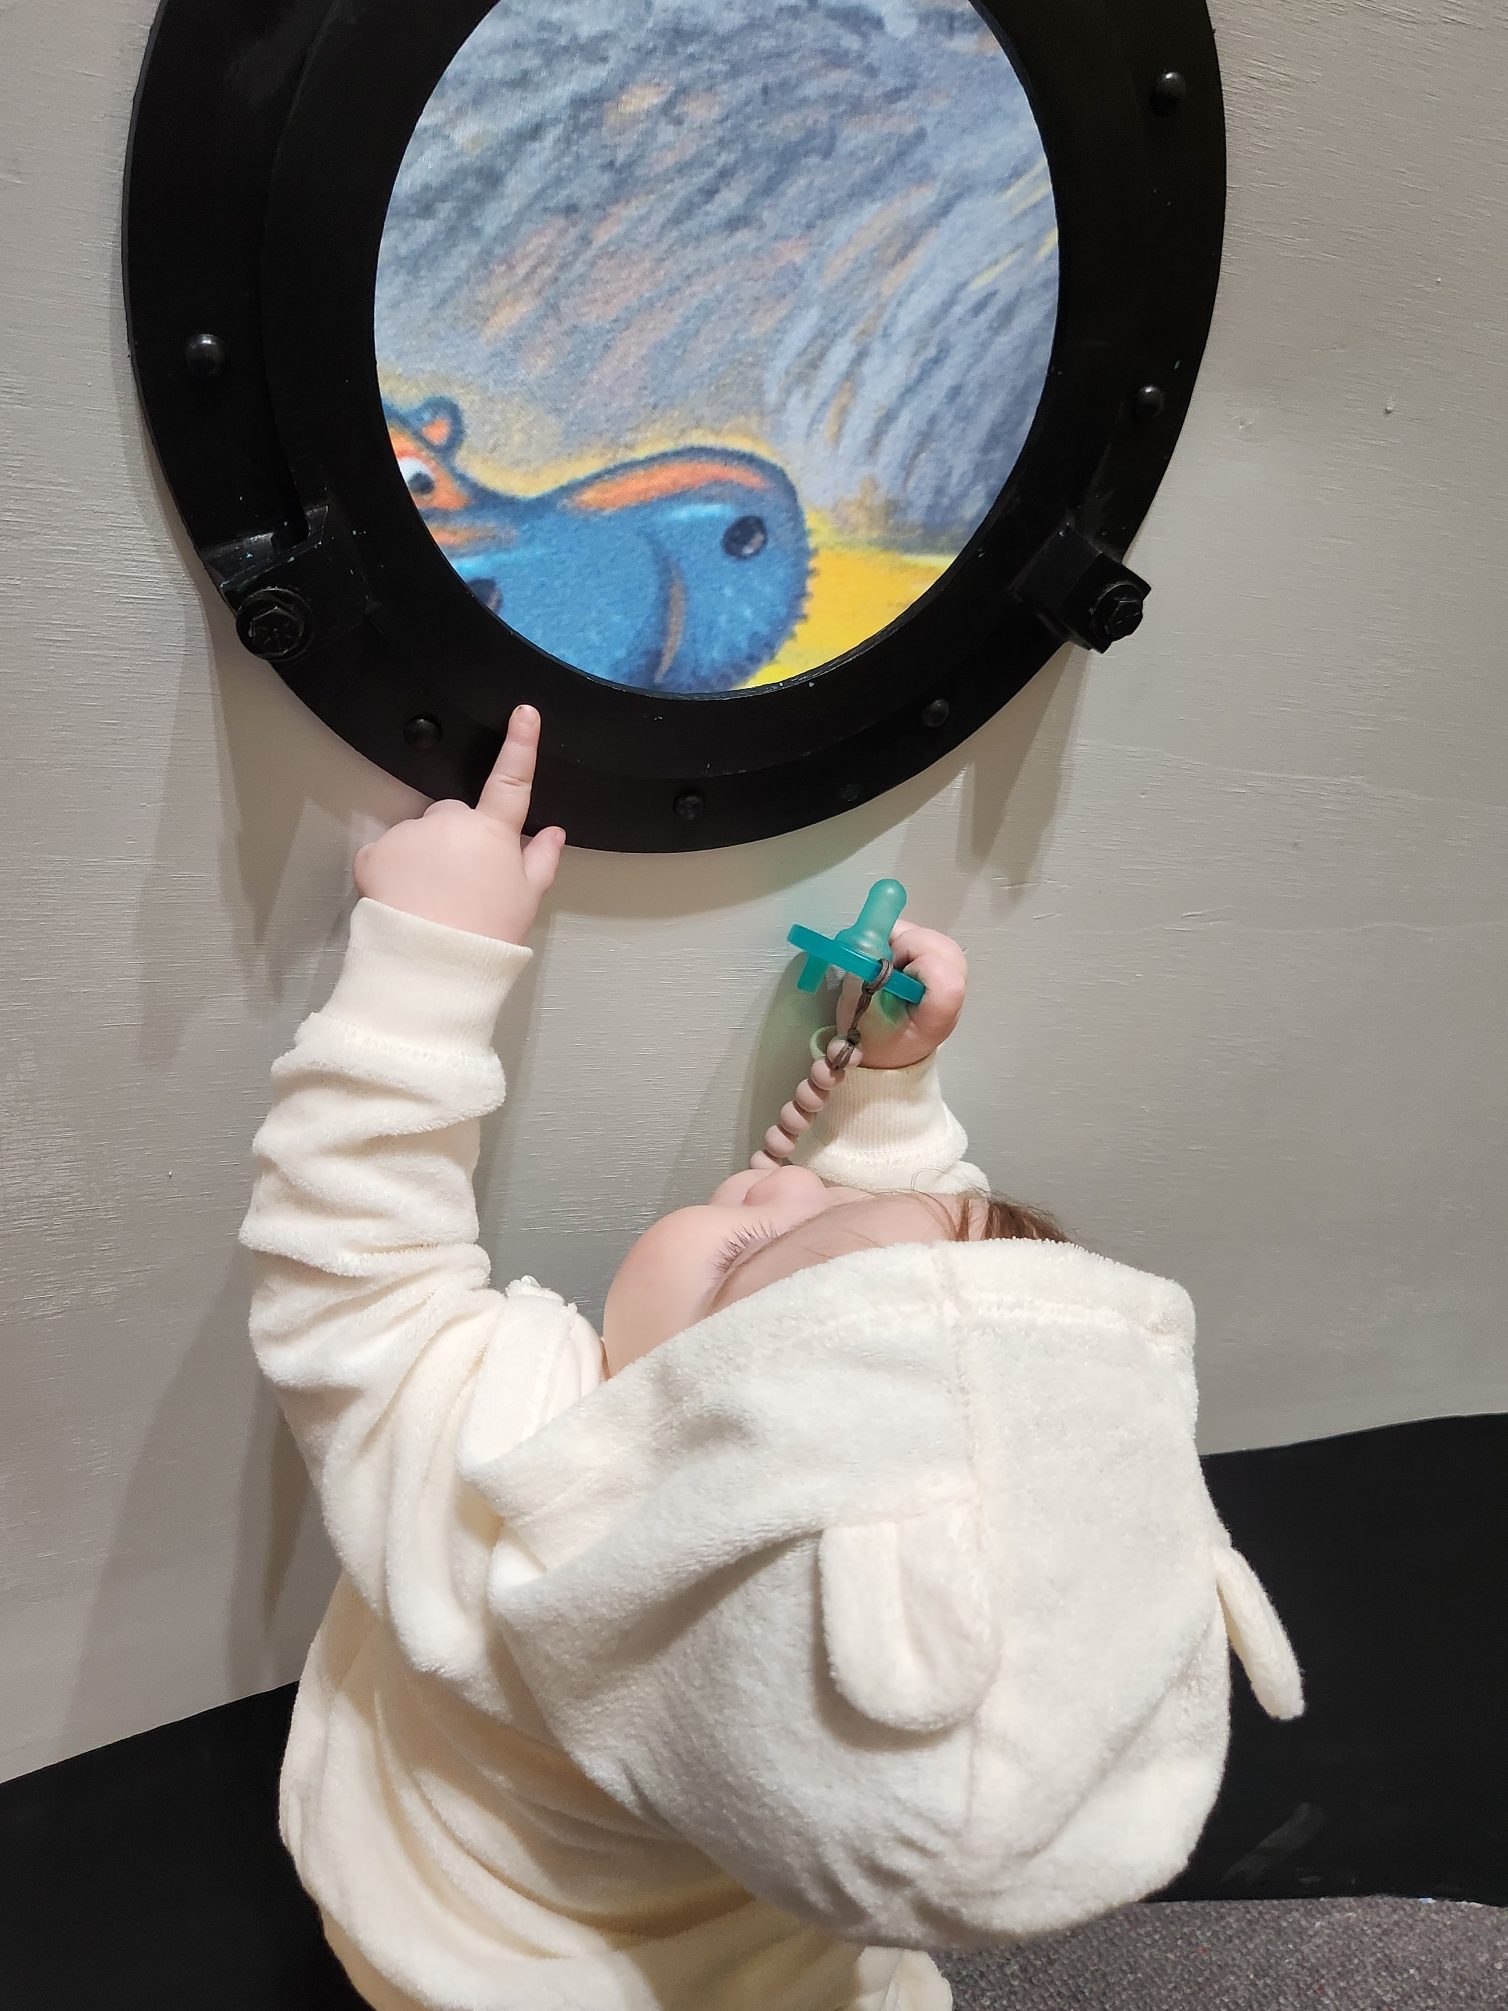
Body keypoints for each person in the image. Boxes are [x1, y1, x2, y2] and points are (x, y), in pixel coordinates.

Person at [239, 705, 1303, 2011]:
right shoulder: (830, 1758)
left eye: (744, 1267)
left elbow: (354, 1275)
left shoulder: (514, 1494)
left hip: (462, 1961)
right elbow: (919, 1376)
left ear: (703, 1452)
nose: (778, 1188)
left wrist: (429, 964)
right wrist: (888, 1100)